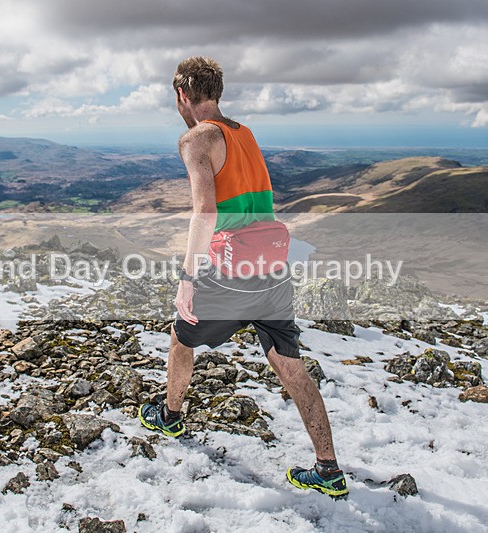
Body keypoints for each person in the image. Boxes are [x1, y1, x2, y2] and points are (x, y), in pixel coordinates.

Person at [138, 57, 348, 498]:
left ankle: (170, 416)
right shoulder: (244, 133)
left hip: (229, 268)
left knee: (181, 336)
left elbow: (205, 211)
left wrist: (188, 277)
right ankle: (328, 468)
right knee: (290, 366)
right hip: (271, 265)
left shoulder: (197, 138)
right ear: (217, 92)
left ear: (181, 96)